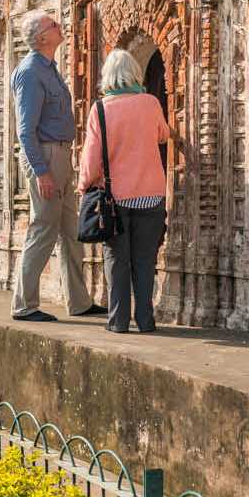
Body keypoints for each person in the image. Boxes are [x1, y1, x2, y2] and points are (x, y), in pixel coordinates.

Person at [10, 10, 105, 322]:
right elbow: (25, 130)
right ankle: (24, 305)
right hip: (46, 156)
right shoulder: (30, 72)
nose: (59, 26)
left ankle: (78, 301)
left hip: (60, 155)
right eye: (53, 24)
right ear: (41, 37)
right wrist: (41, 171)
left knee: (71, 230)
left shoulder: (48, 69)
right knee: (43, 227)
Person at [79, 48, 173, 334]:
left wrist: (84, 184)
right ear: (134, 73)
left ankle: (118, 321)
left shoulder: (100, 109)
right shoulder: (150, 102)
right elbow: (163, 135)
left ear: (108, 76)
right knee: (144, 260)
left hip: (115, 199)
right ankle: (145, 320)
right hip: (151, 195)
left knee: (117, 260)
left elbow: (92, 158)